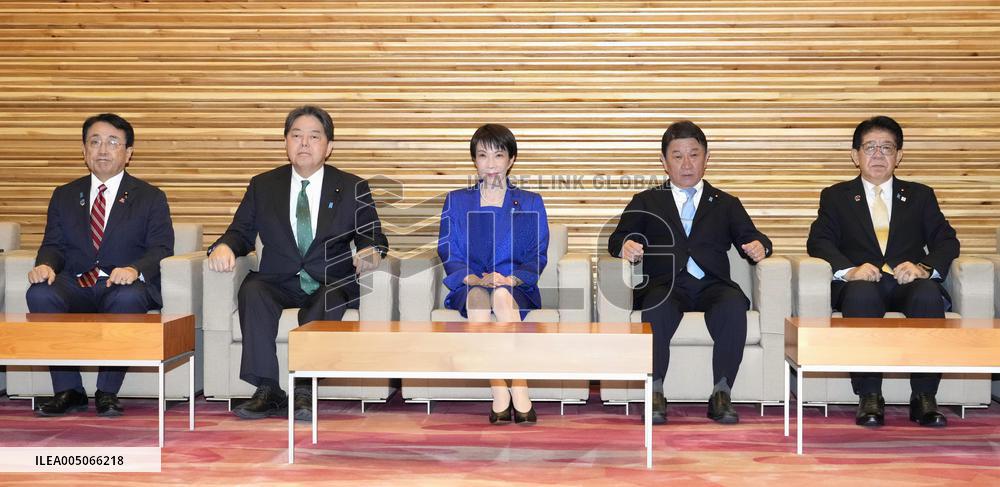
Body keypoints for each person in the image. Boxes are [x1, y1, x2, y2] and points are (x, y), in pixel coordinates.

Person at [207, 105, 388, 420]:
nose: (304, 144)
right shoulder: (264, 185)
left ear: (328, 147)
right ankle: (267, 388)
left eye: (314, 137)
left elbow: (372, 235)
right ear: (286, 143)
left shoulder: (351, 186)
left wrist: (370, 251)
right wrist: (224, 246)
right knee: (253, 291)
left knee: (329, 299)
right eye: (296, 136)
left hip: (329, 280)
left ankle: (304, 387)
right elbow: (240, 232)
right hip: (278, 279)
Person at [608, 120, 771, 425]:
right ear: (664, 161)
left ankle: (722, 394)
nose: (686, 164)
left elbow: (754, 237)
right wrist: (627, 245)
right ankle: (654, 391)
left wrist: (760, 246)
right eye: (678, 155)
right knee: (656, 309)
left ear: (706, 159)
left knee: (734, 305)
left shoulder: (726, 203)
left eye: (694, 155)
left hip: (713, 284)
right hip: (666, 284)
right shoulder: (647, 200)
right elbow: (617, 238)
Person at [807, 115, 959, 428]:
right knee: (861, 295)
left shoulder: (920, 195)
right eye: (870, 148)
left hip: (907, 283)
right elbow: (819, 240)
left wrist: (922, 268)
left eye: (886, 148)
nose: (878, 155)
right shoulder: (835, 196)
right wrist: (849, 271)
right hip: (863, 283)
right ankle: (869, 395)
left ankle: (924, 397)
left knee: (929, 295)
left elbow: (947, 241)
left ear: (899, 156)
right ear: (855, 155)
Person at [27, 113, 175, 417]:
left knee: (130, 296)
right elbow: (53, 245)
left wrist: (134, 269)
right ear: (84, 151)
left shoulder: (150, 197)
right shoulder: (65, 194)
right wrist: (45, 265)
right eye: (94, 142)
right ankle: (69, 390)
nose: (103, 150)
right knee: (40, 293)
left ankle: (107, 391)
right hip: (76, 282)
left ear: (128, 152)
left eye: (112, 142)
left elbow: (161, 248)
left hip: (120, 283)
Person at [438, 124, 548, 424]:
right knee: (478, 302)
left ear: (510, 160)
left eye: (498, 155)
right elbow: (449, 250)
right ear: (474, 160)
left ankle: (520, 387)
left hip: (515, 284)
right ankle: (499, 389)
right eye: (482, 155)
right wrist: (473, 278)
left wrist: (510, 279)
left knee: (500, 298)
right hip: (471, 282)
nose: (490, 163)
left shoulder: (530, 201)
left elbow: (537, 254)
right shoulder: (457, 201)